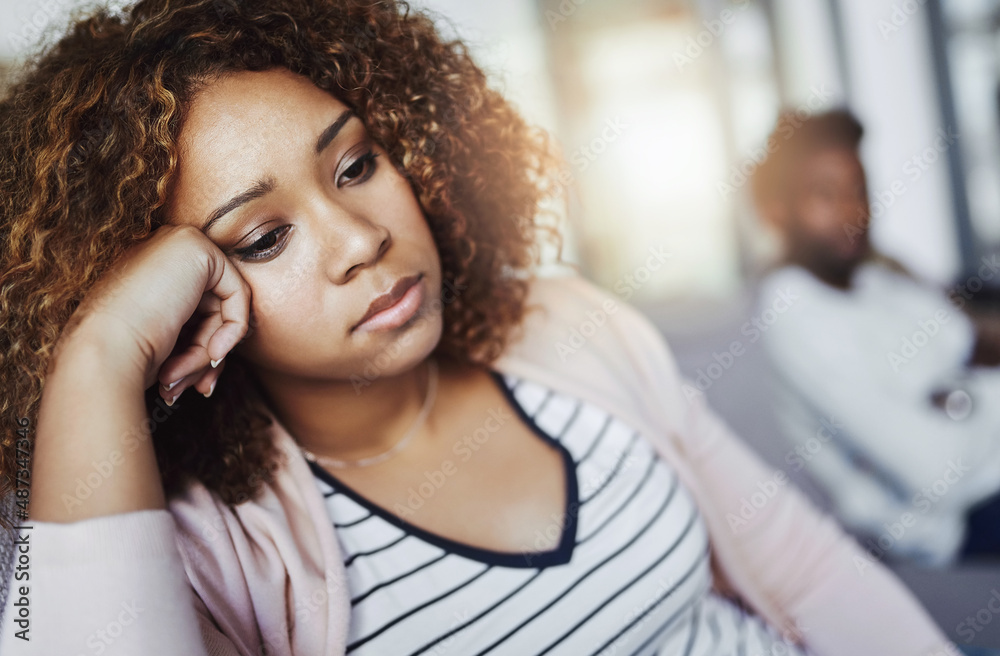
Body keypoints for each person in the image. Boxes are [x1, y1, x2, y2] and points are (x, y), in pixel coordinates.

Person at [0, 2, 967, 654]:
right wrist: (92, 361)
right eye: (261, 237)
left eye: (354, 166)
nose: (362, 239)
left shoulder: (565, 325)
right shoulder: (212, 543)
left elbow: (807, 570)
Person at [749, 108, 1000, 567]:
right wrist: (967, 391)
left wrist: (954, 399)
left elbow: (971, 341)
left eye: (857, 189)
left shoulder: (871, 277)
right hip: (964, 517)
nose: (852, 212)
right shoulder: (793, 309)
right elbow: (935, 475)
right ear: (776, 210)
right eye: (824, 195)